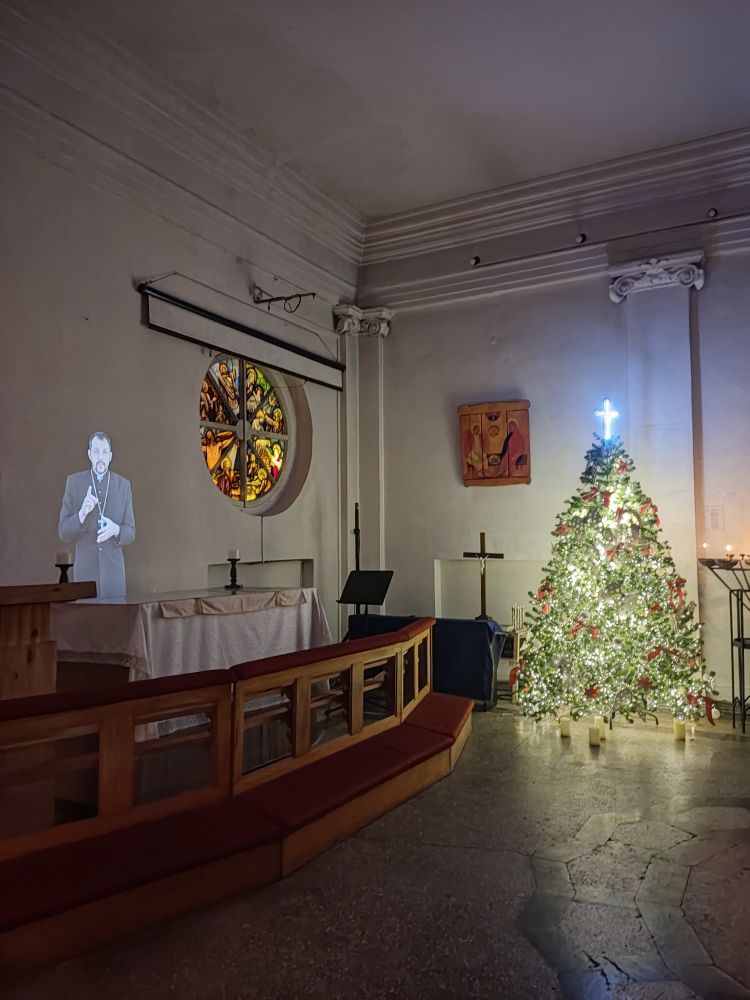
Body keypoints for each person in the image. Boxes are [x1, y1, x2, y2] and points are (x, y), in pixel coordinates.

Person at [58, 432, 135, 598]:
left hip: (114, 577)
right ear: (89, 454)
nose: (100, 457)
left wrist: (116, 530)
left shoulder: (123, 486)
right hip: (85, 575)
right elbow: (64, 533)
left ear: (110, 456)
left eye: (104, 452)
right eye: (96, 452)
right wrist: (81, 514)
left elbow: (130, 532)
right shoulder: (74, 483)